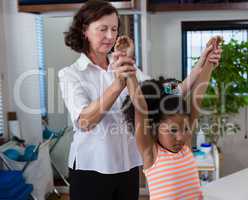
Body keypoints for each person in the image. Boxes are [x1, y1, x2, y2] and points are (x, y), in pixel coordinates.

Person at [59, 0, 221, 199]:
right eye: (103, 29)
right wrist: (118, 84)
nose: (110, 36)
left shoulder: (125, 65)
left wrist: (201, 65)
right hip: (91, 168)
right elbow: (85, 121)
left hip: (127, 165)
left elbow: (163, 92)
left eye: (114, 29)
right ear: (85, 30)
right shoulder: (70, 74)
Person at [122, 37, 222, 199]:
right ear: (154, 128)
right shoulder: (151, 153)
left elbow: (197, 95)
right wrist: (127, 65)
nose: (181, 136)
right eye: (173, 130)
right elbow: (140, 108)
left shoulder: (185, 146)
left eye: (185, 129)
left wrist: (210, 61)